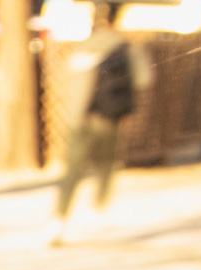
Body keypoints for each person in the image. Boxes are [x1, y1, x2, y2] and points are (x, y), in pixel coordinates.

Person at [49, 0, 151, 245]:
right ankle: (98, 211)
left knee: (73, 170)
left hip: (78, 117)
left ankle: (59, 221)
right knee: (107, 163)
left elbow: (68, 78)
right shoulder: (126, 48)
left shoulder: (83, 47)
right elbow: (144, 78)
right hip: (108, 117)